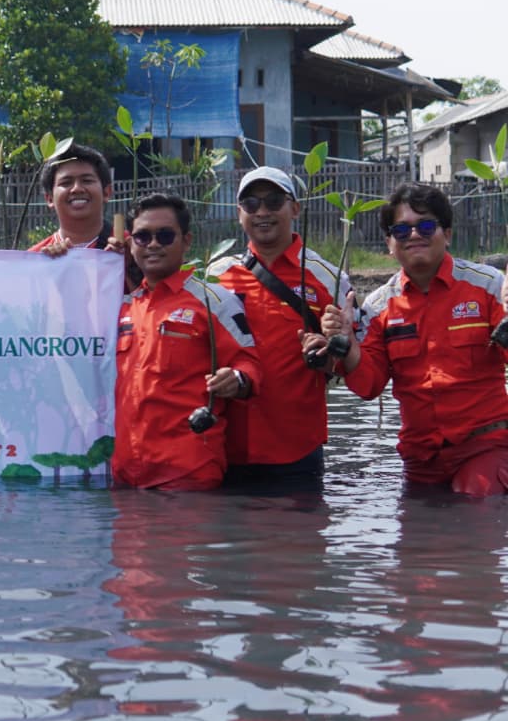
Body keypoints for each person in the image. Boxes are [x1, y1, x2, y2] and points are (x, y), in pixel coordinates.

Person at [318, 183, 508, 496]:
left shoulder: (489, 286)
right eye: (402, 230)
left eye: (426, 226)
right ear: (389, 244)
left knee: (476, 506)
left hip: (484, 448)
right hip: (421, 459)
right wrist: (347, 342)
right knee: (415, 526)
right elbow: (369, 385)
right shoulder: (378, 307)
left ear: (447, 234)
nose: (415, 235)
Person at [208, 167, 351, 486]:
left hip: (296, 450)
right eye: (251, 204)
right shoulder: (216, 276)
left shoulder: (328, 277)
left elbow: (356, 362)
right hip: (225, 446)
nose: (262, 212)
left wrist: (330, 354)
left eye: (273, 201)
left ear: (295, 208)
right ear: (239, 213)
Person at [112, 193, 261, 491]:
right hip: (125, 476)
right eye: (143, 236)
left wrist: (236, 379)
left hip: (187, 476)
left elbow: (249, 364)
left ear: (187, 241)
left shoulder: (214, 300)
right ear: (131, 243)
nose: (153, 244)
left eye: (165, 235)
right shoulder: (122, 307)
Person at [29, 141, 116, 252]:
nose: (77, 189)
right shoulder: (35, 257)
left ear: (106, 192)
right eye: (66, 183)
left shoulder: (131, 249)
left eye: (87, 180)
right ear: (49, 198)